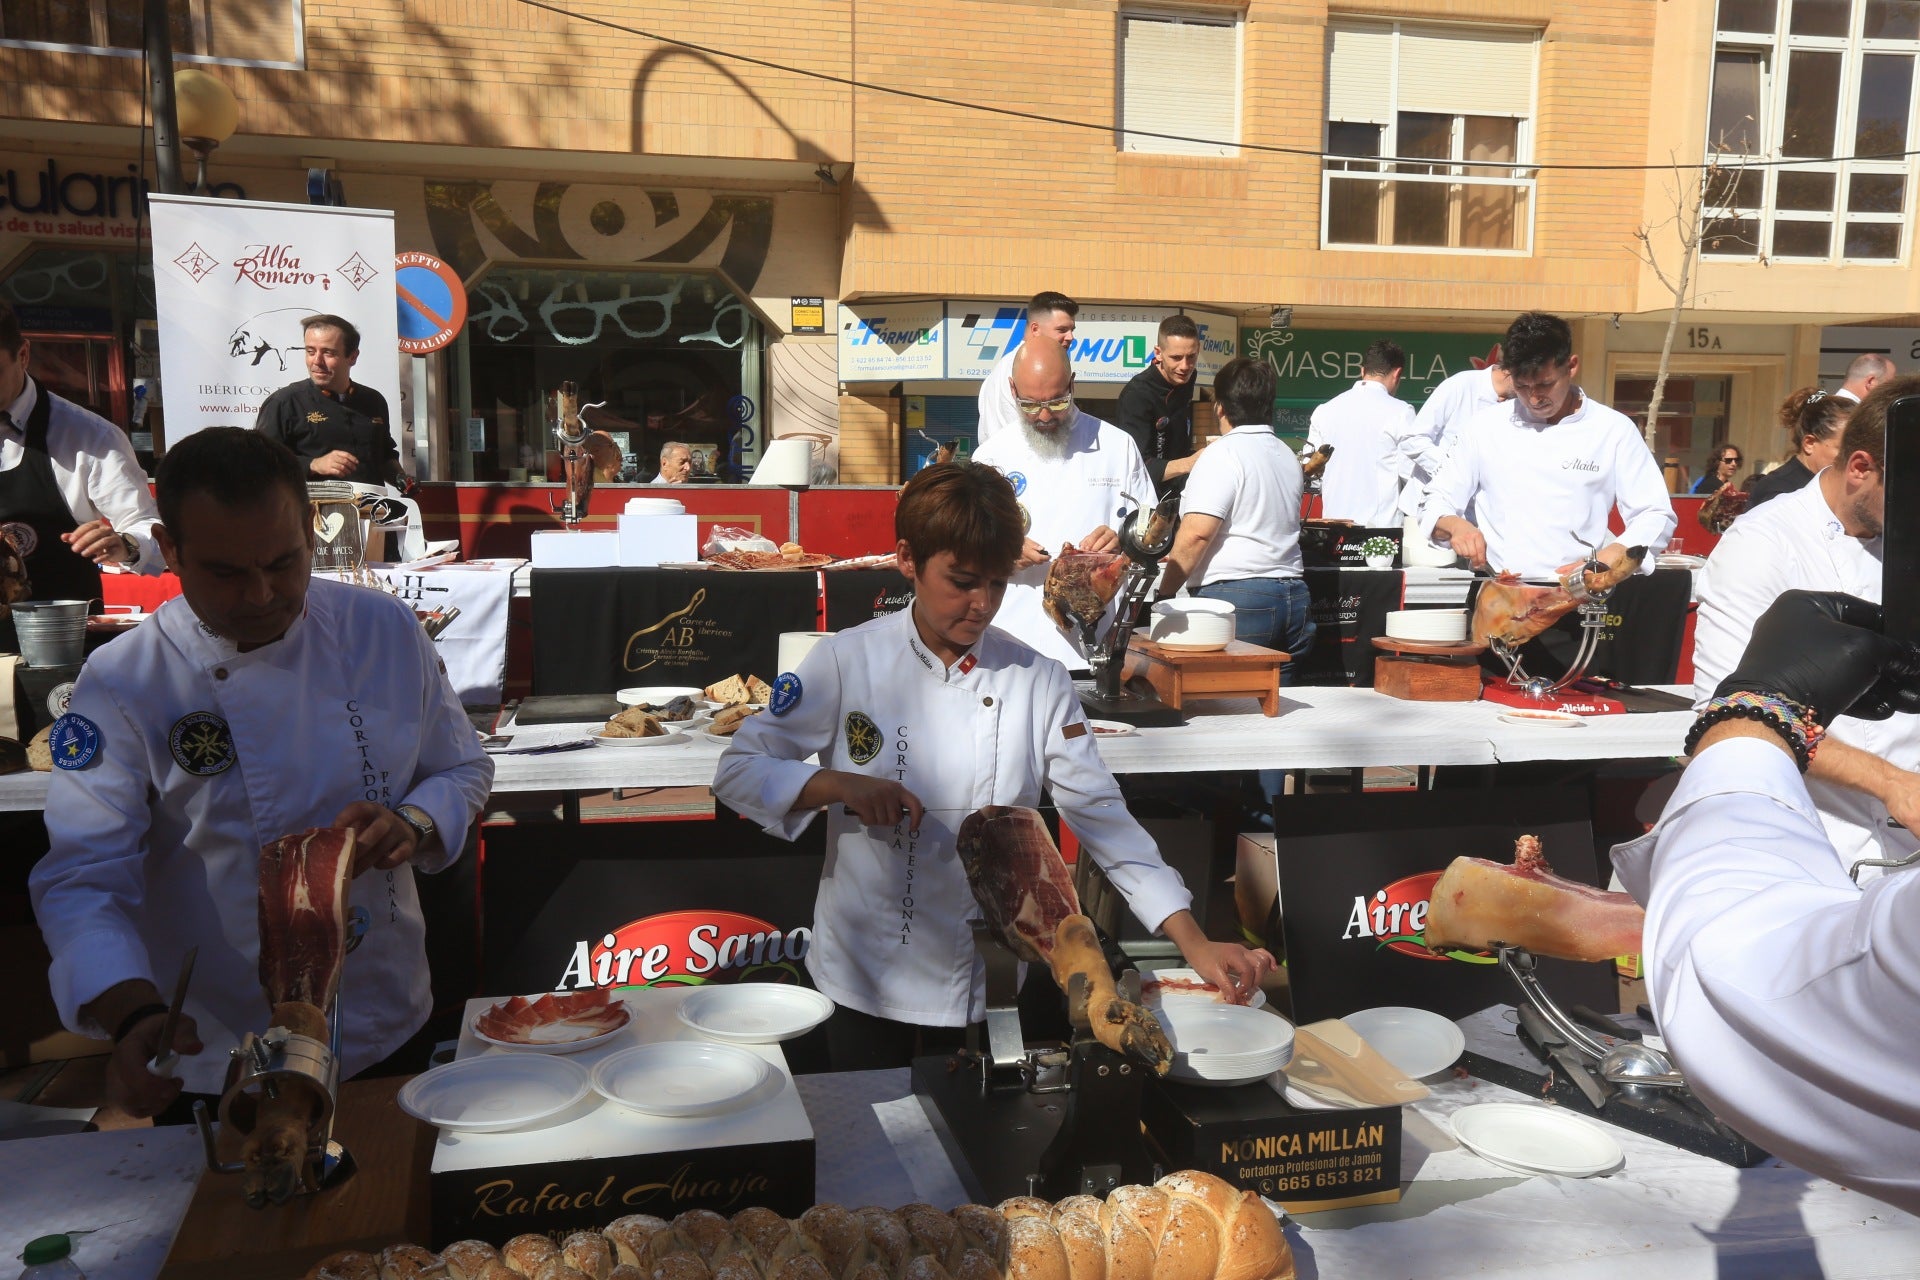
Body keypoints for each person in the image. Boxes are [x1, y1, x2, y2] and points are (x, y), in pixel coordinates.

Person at [713, 462, 1273, 1069]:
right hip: (863, 973)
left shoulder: (1037, 679)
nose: (982, 605)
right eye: (961, 581)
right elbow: (739, 770)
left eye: (998, 584)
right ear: (907, 560)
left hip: (991, 979)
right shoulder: (845, 661)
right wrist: (833, 783)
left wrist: (1192, 941)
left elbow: (1101, 815)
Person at [28, 429, 492, 1118]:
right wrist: (130, 1013)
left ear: (312, 531)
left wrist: (412, 824)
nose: (261, 594)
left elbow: (461, 770)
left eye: (283, 562)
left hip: (383, 1008)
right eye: (226, 572)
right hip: (215, 1043)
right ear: (171, 548)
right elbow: (82, 875)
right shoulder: (124, 682)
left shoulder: (383, 629)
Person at [1612, 589, 1920, 1215]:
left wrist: (1756, 710)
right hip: (1809, 844)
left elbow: (1739, 992)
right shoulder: (1765, 537)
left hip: (1778, 860)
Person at [1691, 377, 1920, 881]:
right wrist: (1894, 784)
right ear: (1860, 467)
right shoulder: (1764, 543)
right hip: (1816, 843)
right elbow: (1728, 715)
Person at [1419, 311, 1676, 579]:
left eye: (1545, 384)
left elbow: (1655, 512)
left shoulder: (1613, 430)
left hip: (1582, 592)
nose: (1534, 398)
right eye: (1522, 386)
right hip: (1499, 592)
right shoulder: (1484, 426)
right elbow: (1436, 499)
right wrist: (1455, 525)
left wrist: (1615, 552)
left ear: (1572, 366)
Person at [971, 338, 1155, 672]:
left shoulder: (1117, 447)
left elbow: (1153, 531)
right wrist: (1003, 549)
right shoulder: (991, 456)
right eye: (1028, 404)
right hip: (1010, 648)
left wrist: (1122, 539)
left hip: (1095, 649)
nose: (1043, 416)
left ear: (1072, 384)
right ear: (1012, 389)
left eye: (1057, 402)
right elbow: (967, 548)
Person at [0, 304, 165, 651]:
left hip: (58, 650)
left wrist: (126, 544)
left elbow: (148, 528)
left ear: (23, 354)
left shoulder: (89, 436)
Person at [1157, 357, 1314, 673]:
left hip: (1237, 595)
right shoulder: (1286, 454)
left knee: (1226, 706)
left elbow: (1197, 533)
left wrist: (1164, 594)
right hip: (1294, 594)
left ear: (1219, 407)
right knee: (1280, 711)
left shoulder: (1222, 454)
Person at [256, 315, 405, 488]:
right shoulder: (284, 402)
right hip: (311, 511)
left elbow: (384, 456)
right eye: (310, 351)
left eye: (328, 353)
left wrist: (401, 479)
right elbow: (260, 463)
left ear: (353, 357)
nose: (317, 361)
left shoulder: (373, 400)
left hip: (370, 510)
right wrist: (313, 464)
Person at [1306, 340, 1422, 526]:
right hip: (1380, 535)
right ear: (1398, 373)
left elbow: (1311, 472)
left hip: (1334, 528)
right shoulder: (1401, 412)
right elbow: (1411, 473)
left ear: (1362, 371)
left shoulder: (1324, 410)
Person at [1400, 356, 1513, 519]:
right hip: (1426, 512)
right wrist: (1453, 471)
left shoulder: (1521, 406)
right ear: (1511, 370)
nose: (1533, 391)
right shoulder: (1461, 385)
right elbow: (1413, 440)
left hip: (1480, 520)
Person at [1115, 314, 1205, 495]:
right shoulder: (1137, 395)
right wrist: (1190, 463)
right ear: (1158, 353)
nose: (1185, 366)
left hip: (1182, 492)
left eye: (1191, 357)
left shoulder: (1188, 378)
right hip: (1147, 499)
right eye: (1176, 357)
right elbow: (1137, 466)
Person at [976, 292, 1077, 447]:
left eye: (1072, 330)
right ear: (1035, 329)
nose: (1071, 337)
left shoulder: (1001, 368)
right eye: (1062, 330)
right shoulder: (1019, 368)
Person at [1745, 388, 1850, 512]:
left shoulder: (1840, 488)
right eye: (1845, 449)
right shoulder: (1778, 492)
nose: (1855, 458)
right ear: (1809, 443)